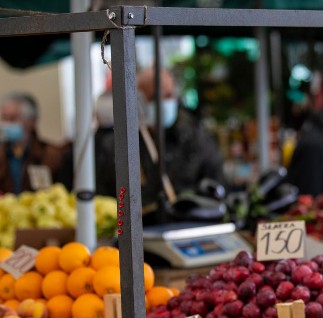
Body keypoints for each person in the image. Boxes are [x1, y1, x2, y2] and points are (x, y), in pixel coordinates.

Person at [94, 68, 224, 221]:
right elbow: (104, 200)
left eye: (168, 95)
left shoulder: (197, 138)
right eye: (154, 97)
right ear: (139, 101)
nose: (163, 102)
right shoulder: (119, 145)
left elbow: (216, 188)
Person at [0, 92, 72, 194]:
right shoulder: (2, 154)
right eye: (4, 118)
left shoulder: (52, 156)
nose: (6, 124)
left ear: (32, 121)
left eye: (13, 118)